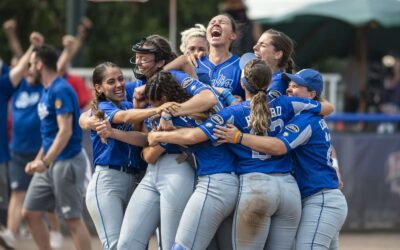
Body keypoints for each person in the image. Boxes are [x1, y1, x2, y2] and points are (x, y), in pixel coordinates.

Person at [214, 68, 347, 249]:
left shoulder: (307, 119)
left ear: (312, 94)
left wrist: (239, 138)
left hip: (321, 199)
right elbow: (330, 148)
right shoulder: (304, 114)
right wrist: (337, 169)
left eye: (296, 86)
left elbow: (279, 147)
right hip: (320, 197)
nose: (289, 89)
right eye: (289, 85)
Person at [145, 71, 238, 250]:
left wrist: (160, 130)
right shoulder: (199, 102)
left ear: (164, 97)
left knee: (181, 247)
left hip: (214, 184)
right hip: (228, 181)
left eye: (155, 103)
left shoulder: (184, 113)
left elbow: (190, 135)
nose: (152, 107)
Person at [21, 44, 92, 250]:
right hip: (50, 161)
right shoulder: (47, 90)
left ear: (40, 64)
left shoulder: (60, 90)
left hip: (66, 162)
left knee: (72, 220)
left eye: (32, 64)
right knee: (30, 212)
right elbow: (50, 135)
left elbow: (65, 131)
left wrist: (44, 161)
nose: (29, 69)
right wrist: (38, 160)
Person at [84, 62, 157, 250]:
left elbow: (144, 140)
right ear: (98, 88)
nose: (118, 84)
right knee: (116, 246)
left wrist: (140, 109)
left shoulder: (127, 103)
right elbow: (124, 117)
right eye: (111, 81)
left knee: (136, 245)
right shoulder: (102, 107)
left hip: (135, 180)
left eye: (120, 78)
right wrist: (158, 110)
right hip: (108, 182)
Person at [252, 29, 295, 99]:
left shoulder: (278, 84)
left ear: (277, 54)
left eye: (263, 45)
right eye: (257, 43)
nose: (254, 47)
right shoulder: (266, 79)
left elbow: (262, 109)